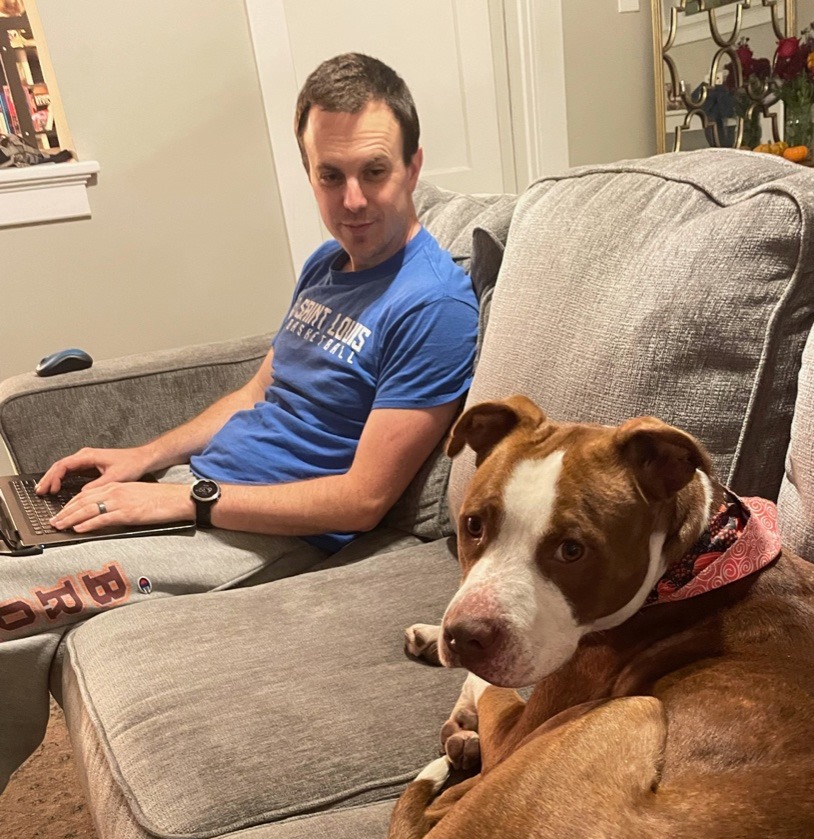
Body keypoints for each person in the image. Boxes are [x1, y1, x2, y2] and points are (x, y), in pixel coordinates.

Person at [0, 53, 478, 793]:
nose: (352, 200)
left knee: (10, 607)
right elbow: (260, 386)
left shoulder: (433, 307)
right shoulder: (328, 265)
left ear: (413, 167)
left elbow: (361, 500)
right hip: (200, 494)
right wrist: (146, 457)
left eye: (374, 172)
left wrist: (185, 501)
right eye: (329, 175)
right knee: (15, 529)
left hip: (257, 535)